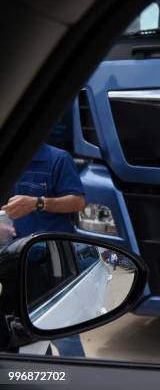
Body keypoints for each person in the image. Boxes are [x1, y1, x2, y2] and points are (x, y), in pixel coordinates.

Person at [2, 142, 87, 357]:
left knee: (63, 330)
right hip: (16, 262)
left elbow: (77, 202)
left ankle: (78, 378)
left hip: (54, 260)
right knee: (21, 329)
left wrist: (37, 203)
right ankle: (40, 372)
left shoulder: (58, 159)